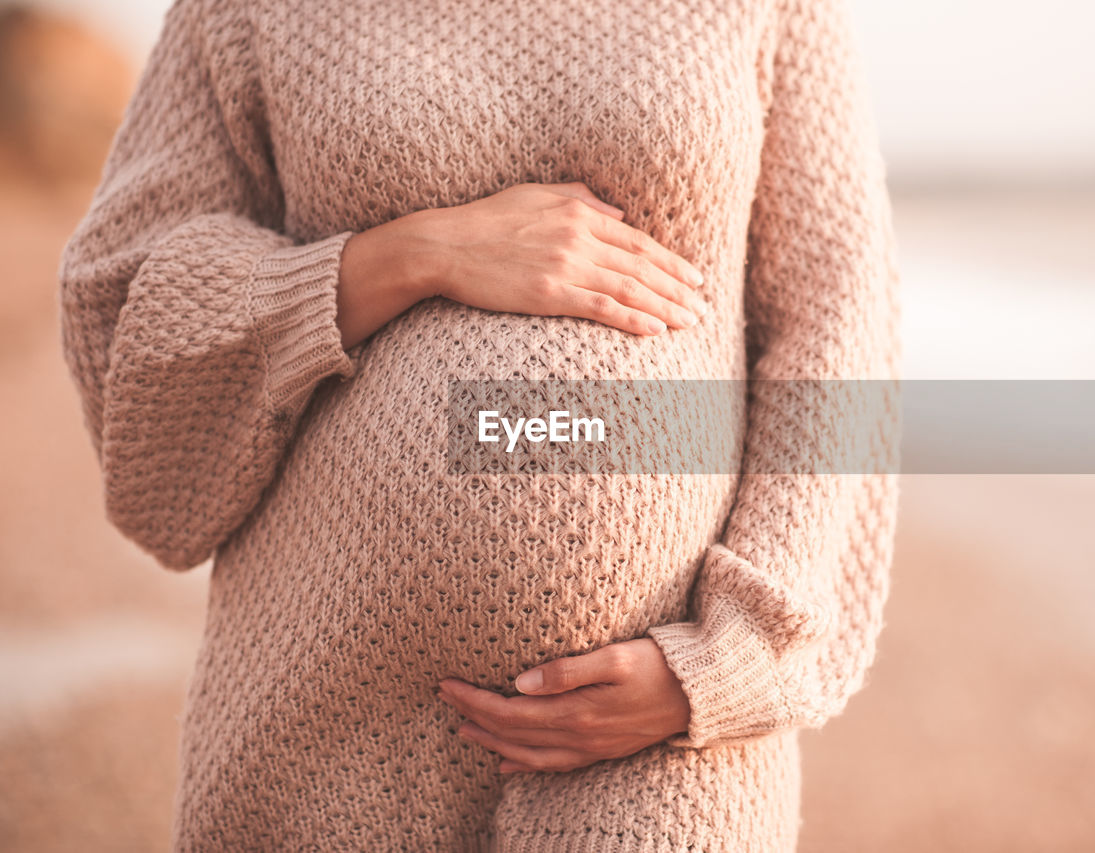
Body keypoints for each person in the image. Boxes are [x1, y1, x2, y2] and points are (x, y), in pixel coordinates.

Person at [58, 0, 901, 849]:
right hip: (325, 711)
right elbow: (119, 291)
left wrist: (728, 660)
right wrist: (416, 253)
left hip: (660, 730)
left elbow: (837, 318)